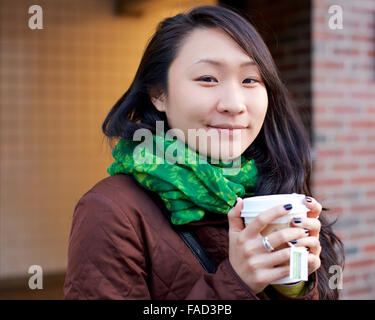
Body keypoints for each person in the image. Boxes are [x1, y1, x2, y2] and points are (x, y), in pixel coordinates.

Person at [63, 5, 344, 300]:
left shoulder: (272, 185)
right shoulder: (110, 210)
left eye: (250, 80)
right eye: (208, 78)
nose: (234, 104)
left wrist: (294, 285)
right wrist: (236, 284)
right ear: (159, 93)